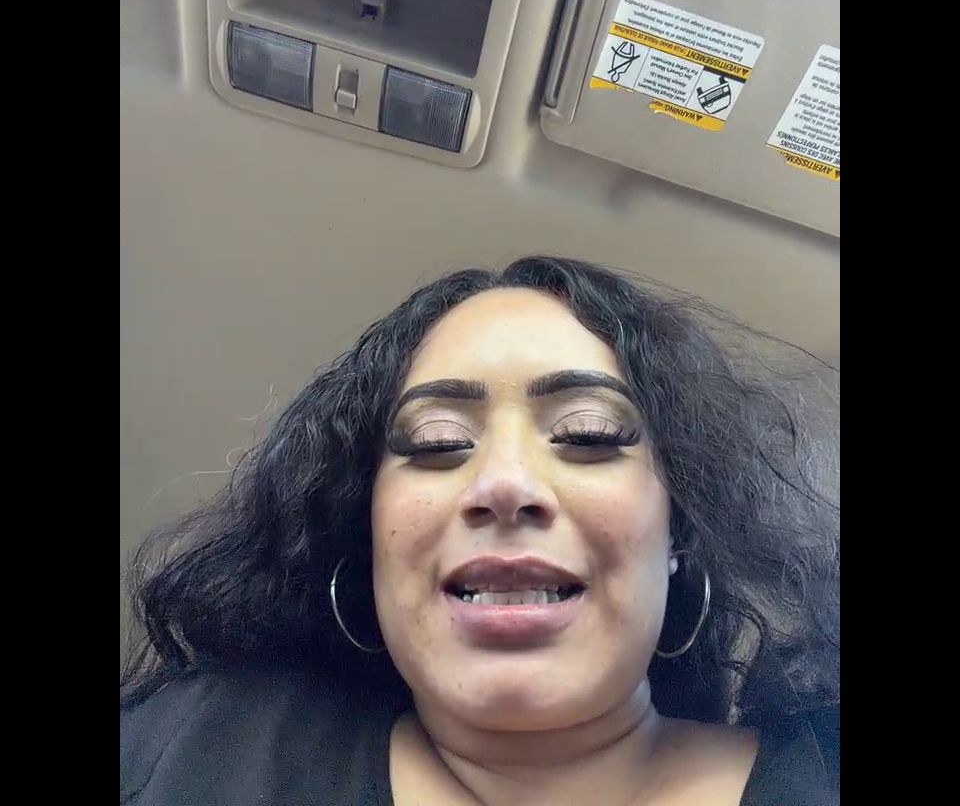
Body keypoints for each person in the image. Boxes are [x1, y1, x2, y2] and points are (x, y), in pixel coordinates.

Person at [120, 256, 839, 806]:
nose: (505, 483)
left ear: (681, 530)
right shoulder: (197, 741)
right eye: (436, 442)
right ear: (366, 536)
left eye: (588, 433)